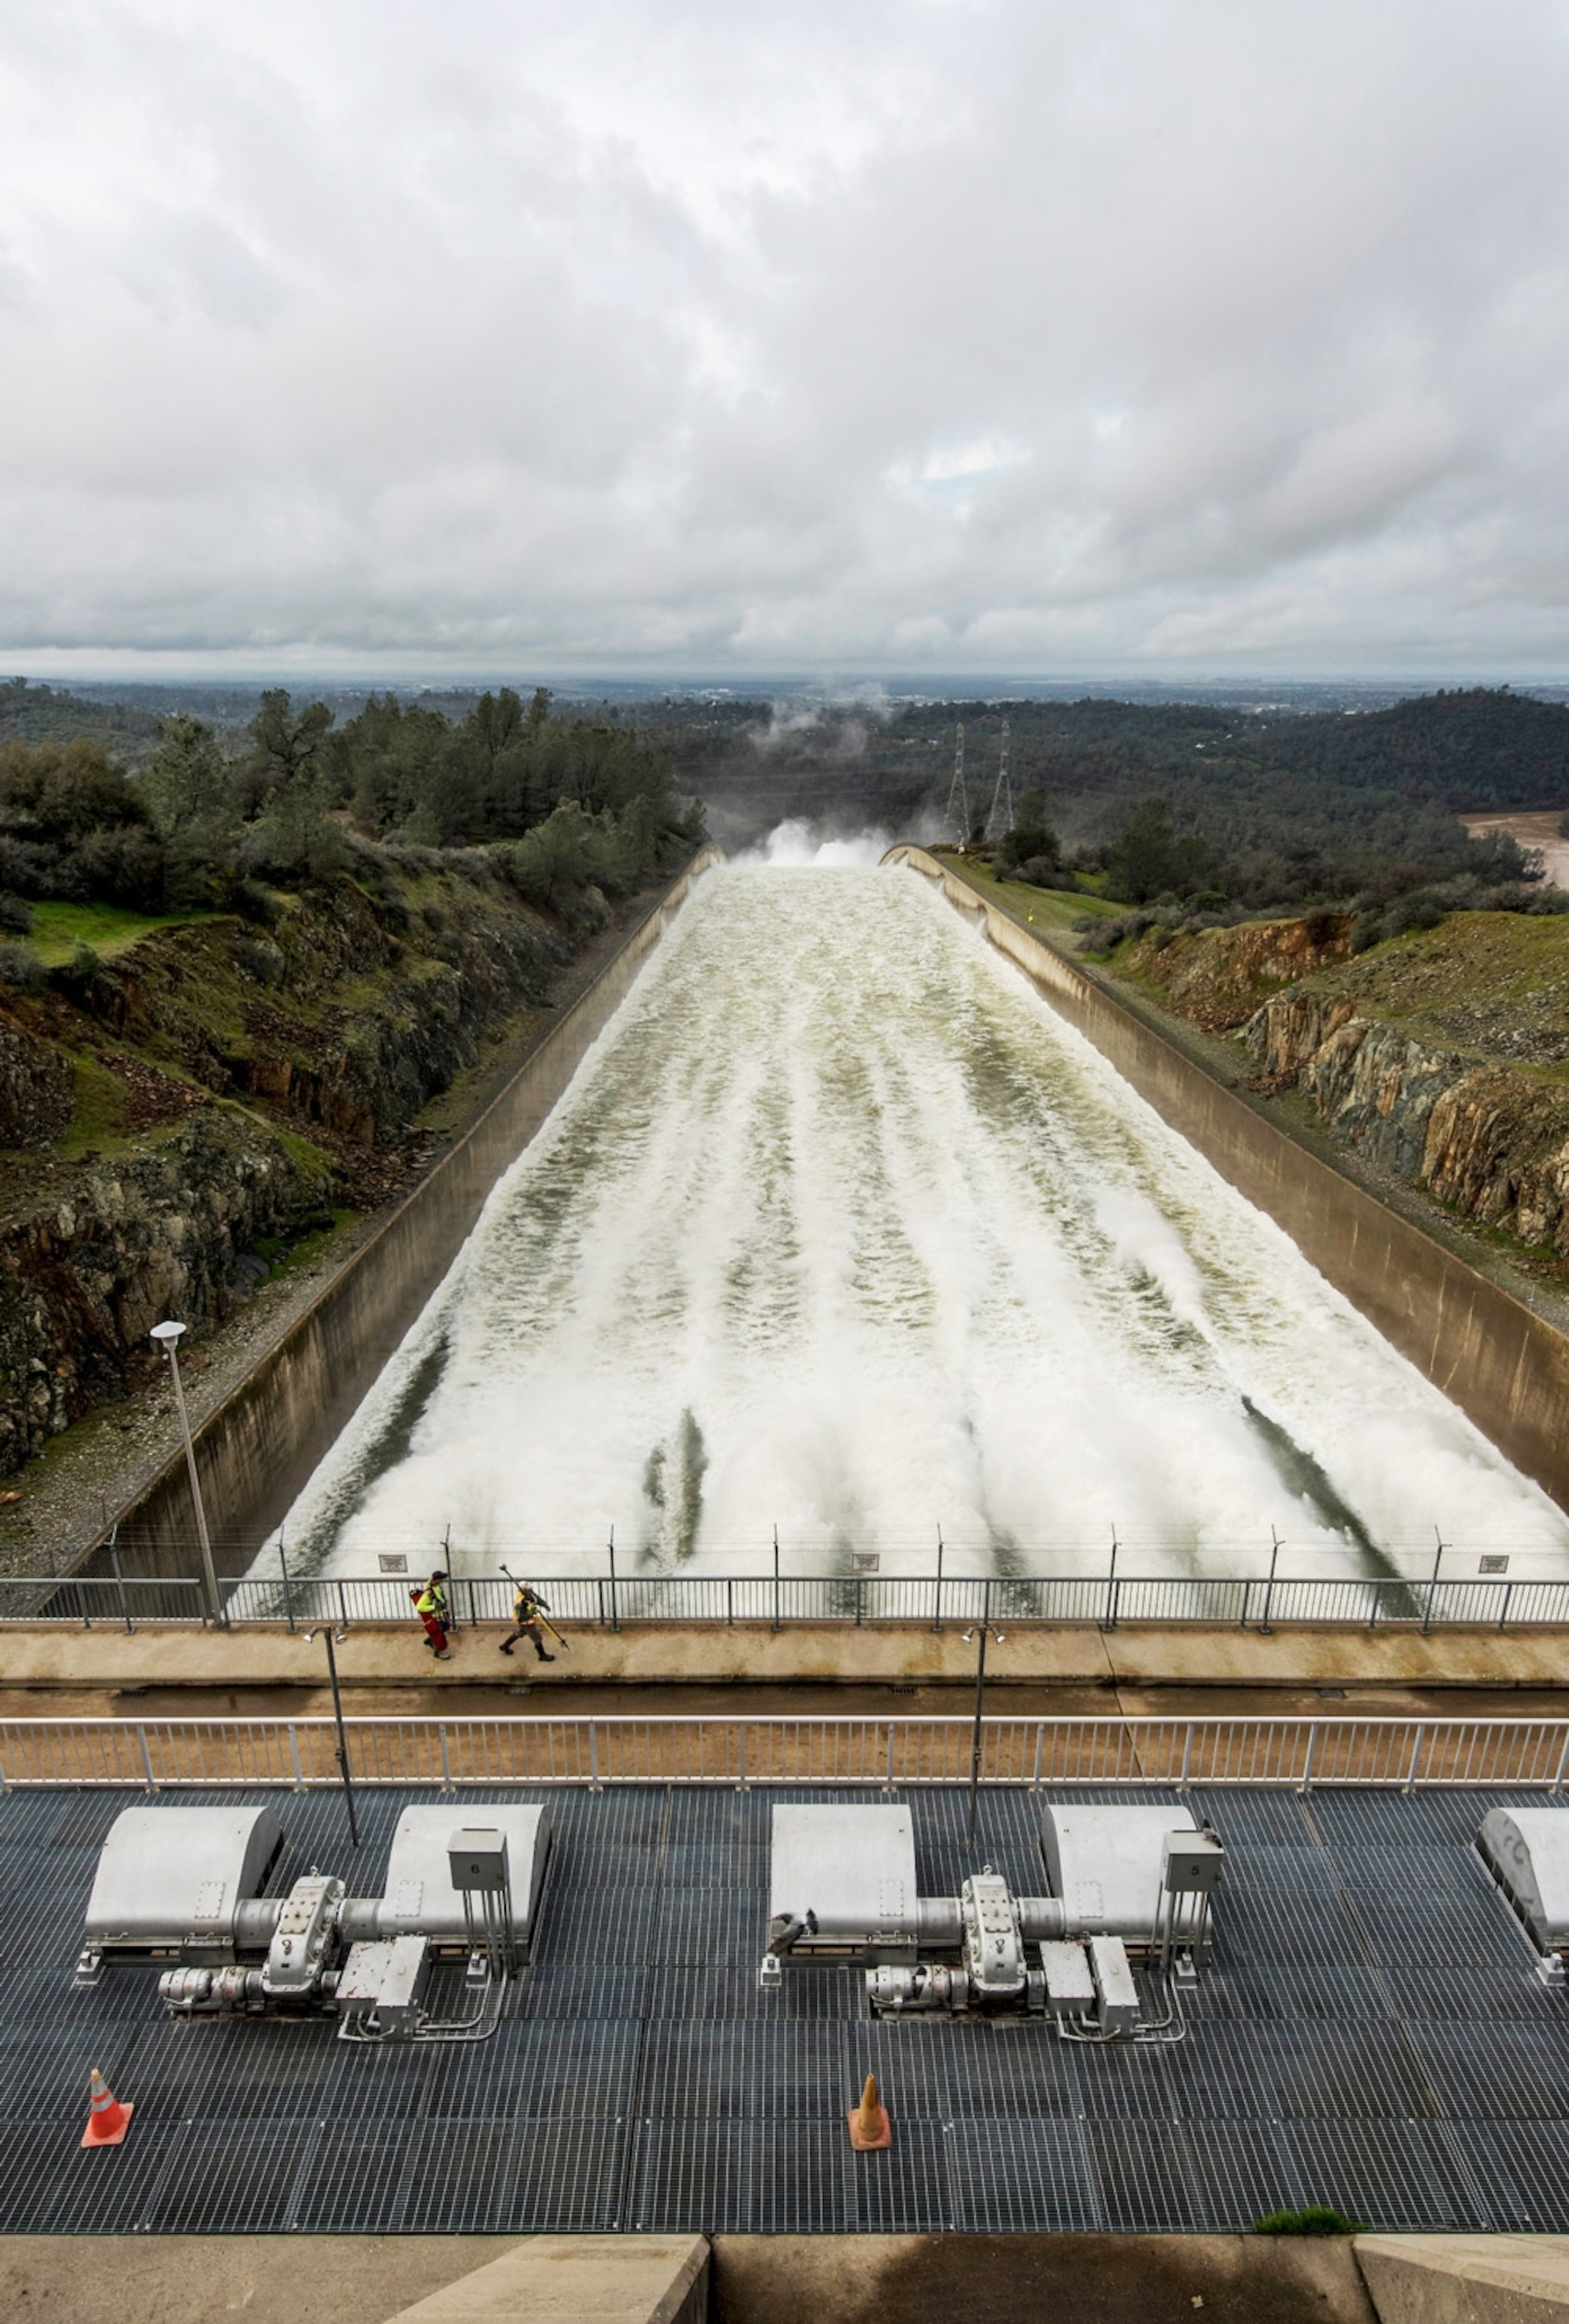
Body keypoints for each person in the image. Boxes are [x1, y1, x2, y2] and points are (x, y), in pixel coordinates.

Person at [499, 1579, 556, 1662]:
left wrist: (545, 1605)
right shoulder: (520, 1602)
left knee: (519, 1633)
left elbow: (536, 1598)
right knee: (537, 1638)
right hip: (527, 1623)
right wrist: (532, 1613)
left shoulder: (529, 1594)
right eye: (528, 1589)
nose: (531, 1590)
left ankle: (505, 1646)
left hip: (527, 1622)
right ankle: (542, 1656)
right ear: (523, 1590)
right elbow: (521, 1617)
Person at [415, 1568, 452, 1660]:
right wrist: (434, 1607)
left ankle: (430, 1640)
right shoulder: (429, 1593)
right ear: (436, 1580)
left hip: (440, 1615)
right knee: (439, 1635)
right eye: (441, 1579)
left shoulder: (436, 1587)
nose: (442, 1581)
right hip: (436, 1617)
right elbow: (419, 1607)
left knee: (443, 1629)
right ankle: (437, 1652)